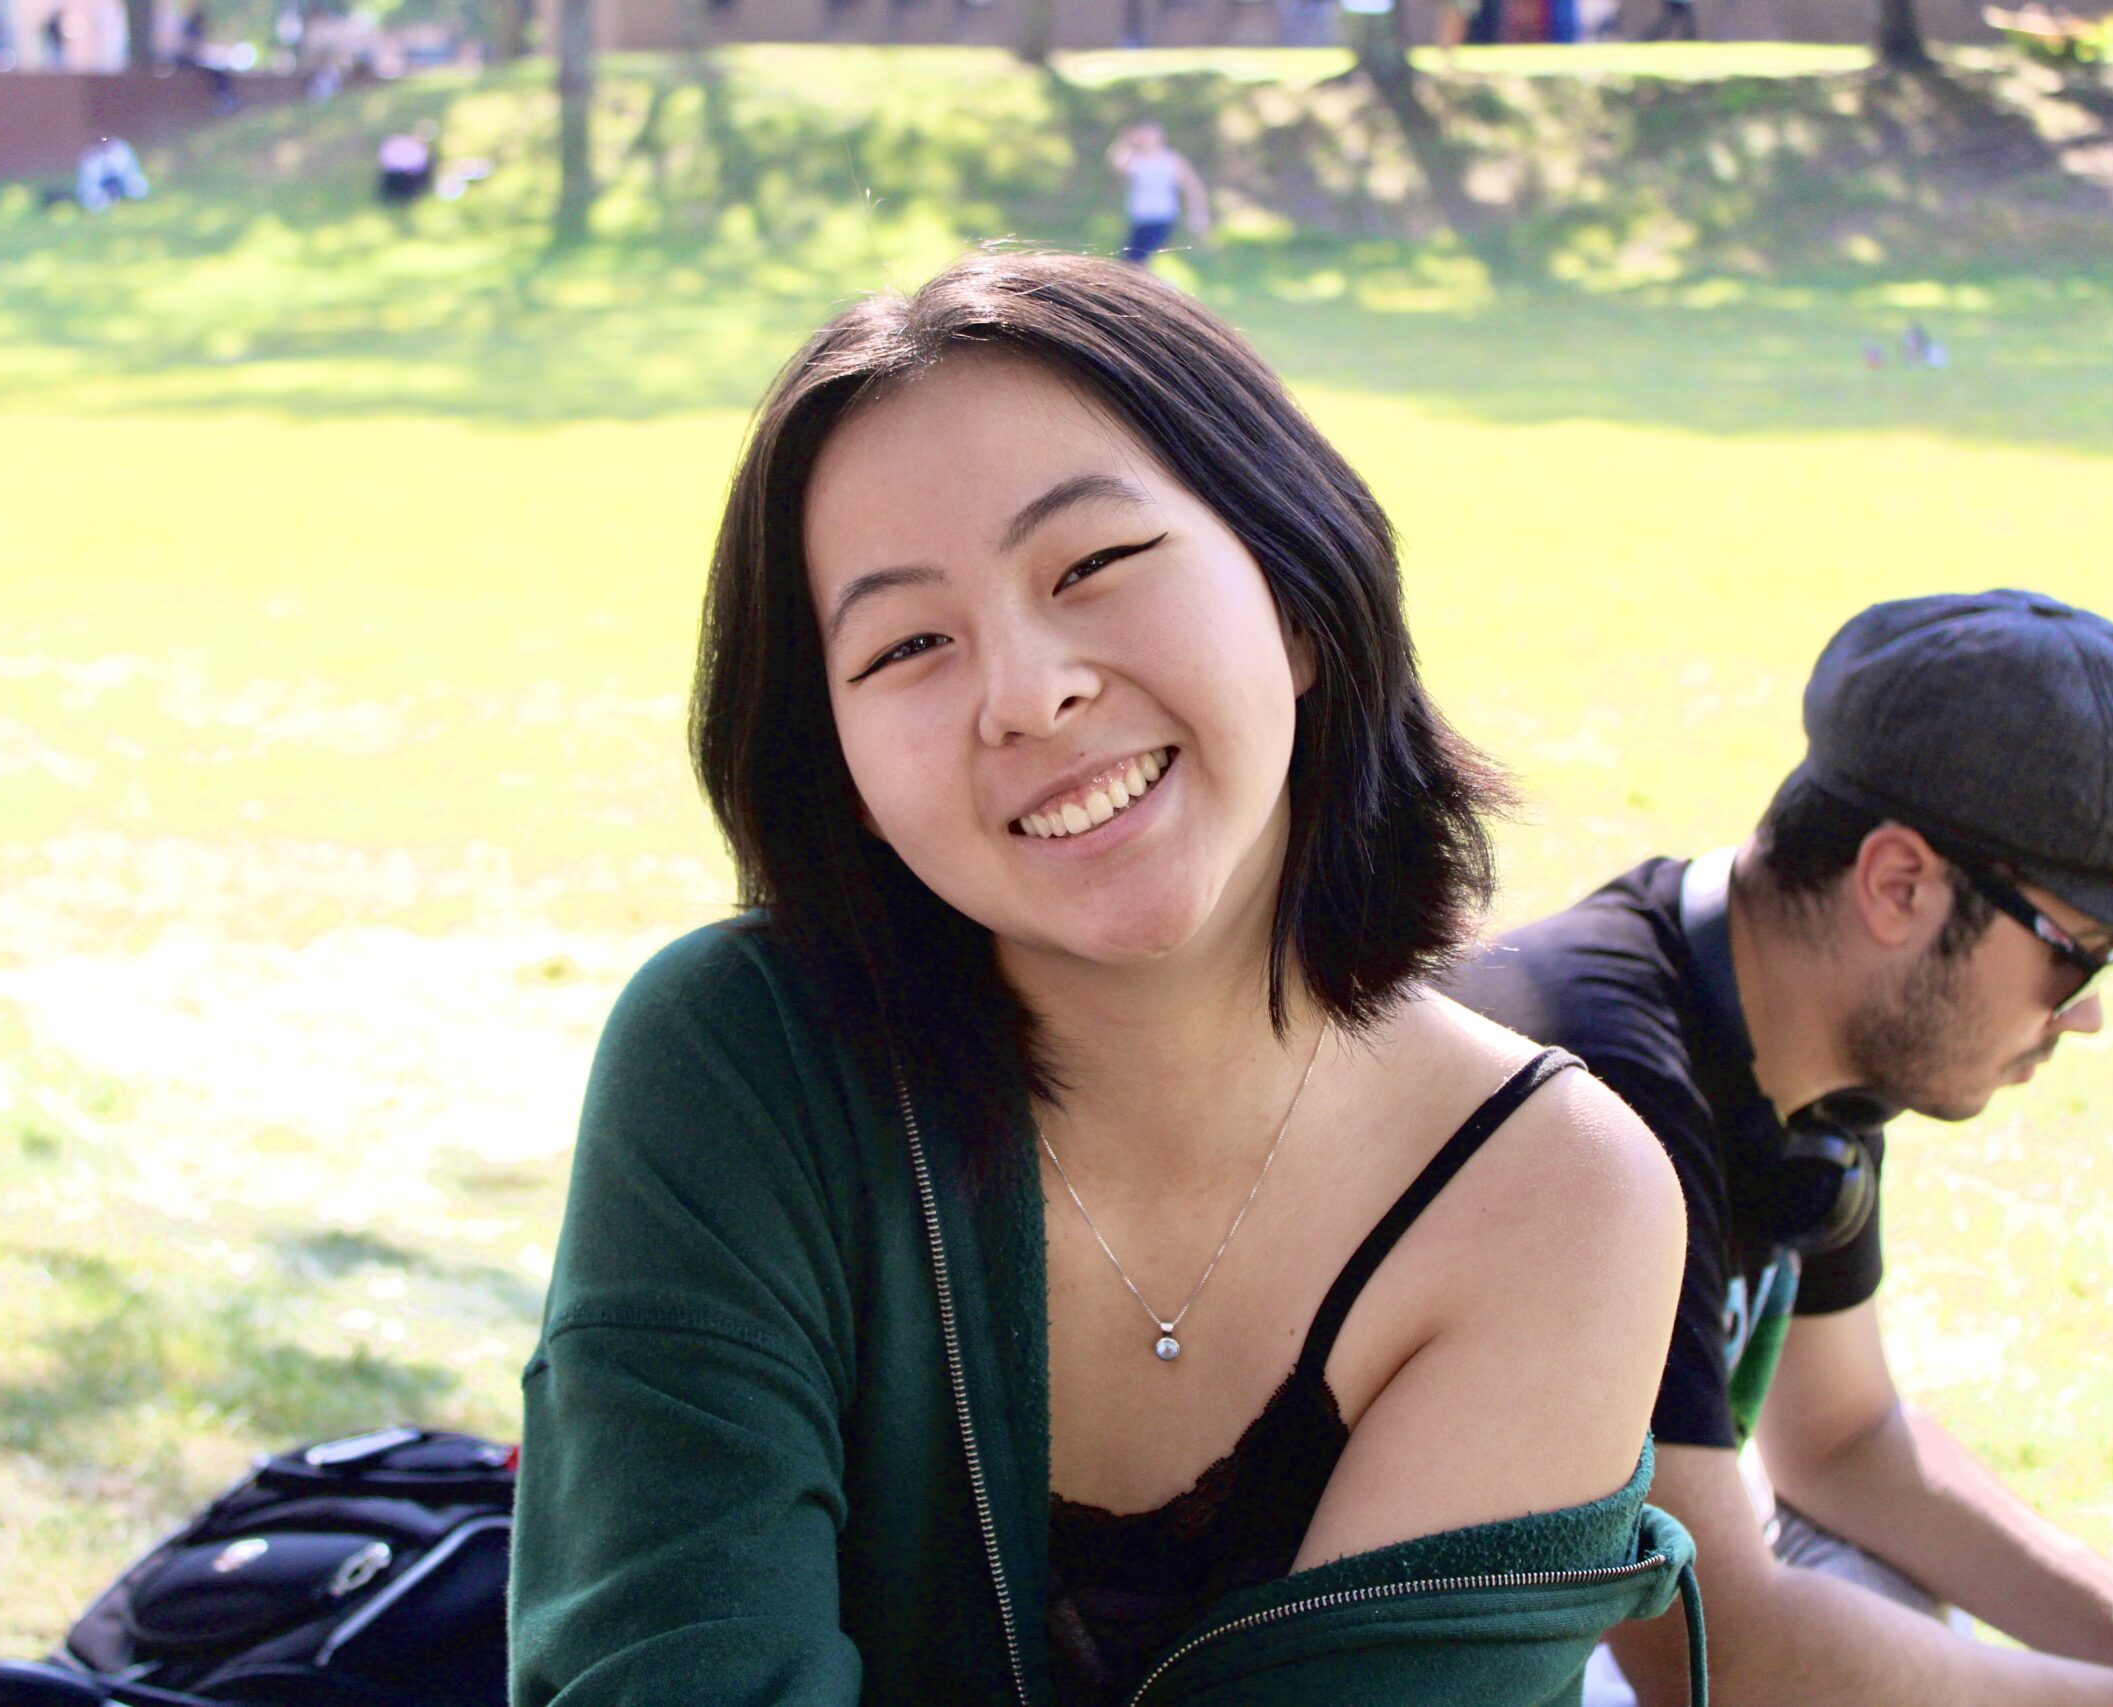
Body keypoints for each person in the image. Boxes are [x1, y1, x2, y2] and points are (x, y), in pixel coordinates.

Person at [508, 251, 1700, 1707]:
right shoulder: (742, 1066)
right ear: (844, 773)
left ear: (1300, 598)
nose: (1026, 690)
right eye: (908, 643)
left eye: (1090, 564)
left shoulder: (1555, 1199)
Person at [1449, 591, 2113, 1707]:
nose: (2084, 1016)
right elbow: (1709, 1645)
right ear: (1898, 885)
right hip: (1400, 1665)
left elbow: (1841, 1441)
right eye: (2077, 955)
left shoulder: (1794, 1034)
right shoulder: (1595, 1091)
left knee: (1871, 1585)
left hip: (1560, 1628)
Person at [1107, 121, 1210, 265]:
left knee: (1136, 260)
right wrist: (1125, 139)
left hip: (1162, 217)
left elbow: (1192, 186)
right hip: (1140, 218)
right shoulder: (1135, 160)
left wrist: (1198, 213)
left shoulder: (1171, 160)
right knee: (1128, 261)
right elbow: (1116, 164)